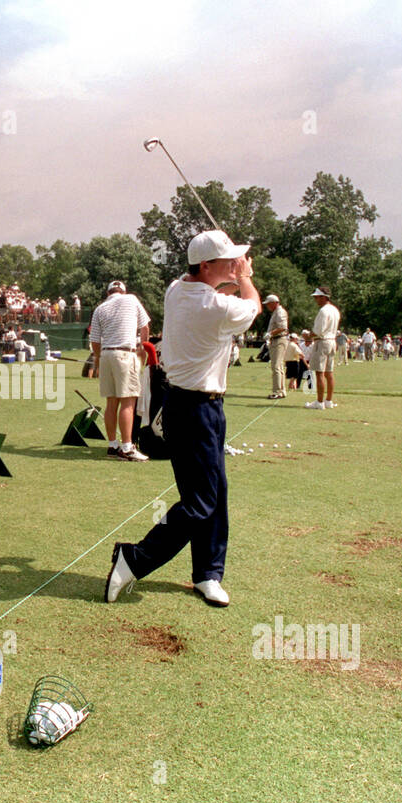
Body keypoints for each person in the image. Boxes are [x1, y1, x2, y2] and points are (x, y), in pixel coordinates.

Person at [105, 230, 260, 607]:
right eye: (228, 260)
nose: (235, 264)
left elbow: (214, 291)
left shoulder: (177, 289)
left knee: (214, 493)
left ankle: (208, 573)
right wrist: (246, 277)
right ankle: (134, 559)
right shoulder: (215, 308)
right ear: (206, 266)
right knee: (200, 502)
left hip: (192, 405)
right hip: (196, 410)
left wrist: (232, 271)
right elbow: (252, 306)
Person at [88, 280, 152, 461]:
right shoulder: (131, 299)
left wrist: (100, 361)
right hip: (125, 354)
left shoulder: (100, 309)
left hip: (106, 354)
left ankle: (112, 445)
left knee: (111, 402)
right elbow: (145, 326)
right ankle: (126, 447)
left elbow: (95, 341)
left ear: (108, 293)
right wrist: (142, 347)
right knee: (128, 402)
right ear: (122, 291)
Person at [305, 286, 340, 410]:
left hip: (323, 342)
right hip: (332, 342)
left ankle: (319, 402)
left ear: (324, 297)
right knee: (329, 373)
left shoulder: (323, 311)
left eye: (317, 297)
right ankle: (328, 401)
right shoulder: (335, 310)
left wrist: (308, 334)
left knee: (320, 373)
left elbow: (318, 331)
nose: (316, 300)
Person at [262, 294, 288, 398]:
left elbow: (282, 327)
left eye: (268, 304)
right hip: (276, 340)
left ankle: (277, 391)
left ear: (274, 303)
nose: (267, 306)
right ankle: (281, 390)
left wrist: (270, 334)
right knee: (279, 366)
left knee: (276, 366)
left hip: (279, 340)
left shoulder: (280, 312)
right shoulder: (276, 312)